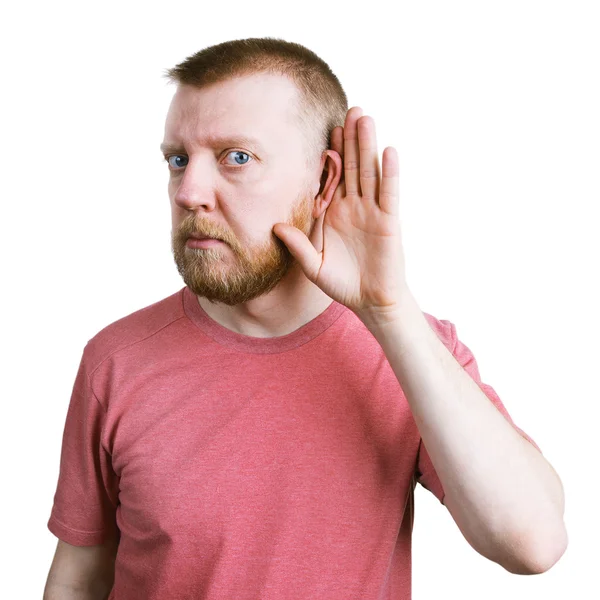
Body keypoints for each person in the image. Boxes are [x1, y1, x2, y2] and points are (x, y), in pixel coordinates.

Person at [45, 37, 563, 600]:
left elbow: (533, 545)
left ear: (324, 181)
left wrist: (388, 311)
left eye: (236, 157)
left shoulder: (409, 352)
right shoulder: (116, 361)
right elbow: (78, 580)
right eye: (178, 160)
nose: (189, 191)